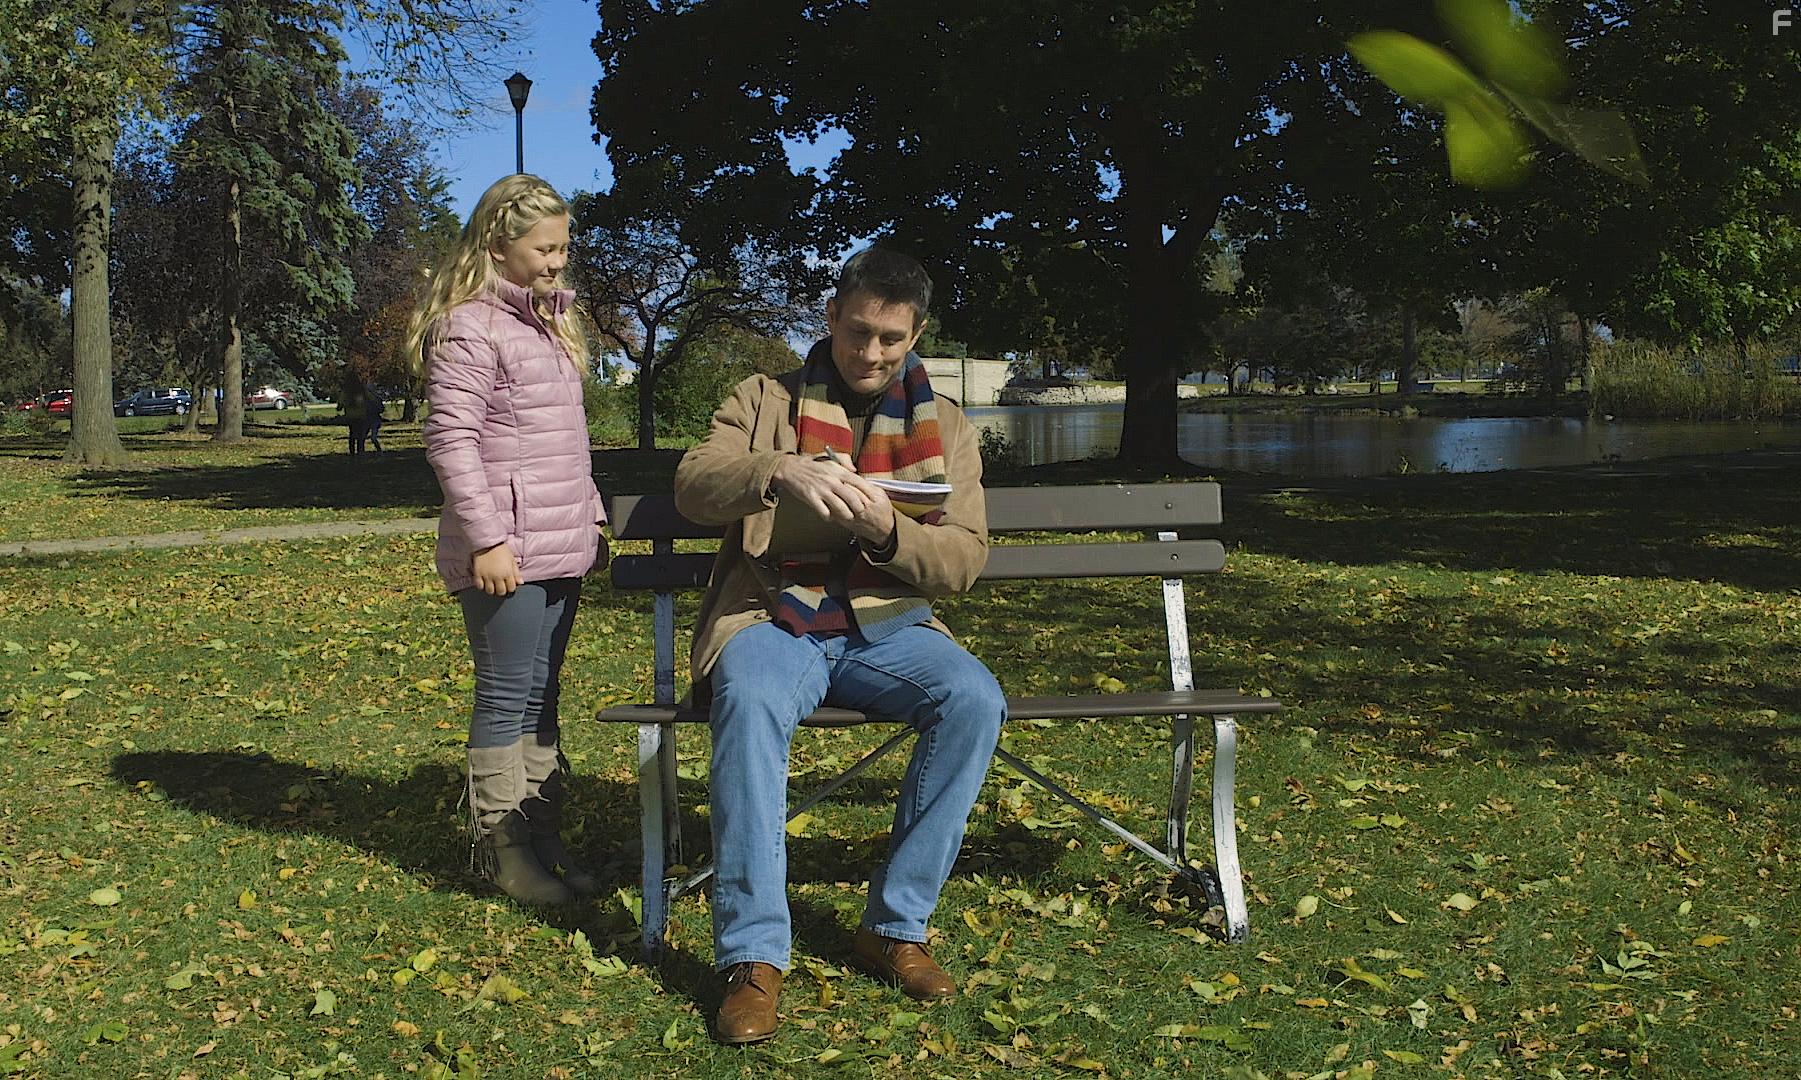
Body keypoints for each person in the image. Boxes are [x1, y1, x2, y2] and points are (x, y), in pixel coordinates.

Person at [673, 247, 1005, 1044]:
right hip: (771, 616)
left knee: (972, 698)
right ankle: (753, 958)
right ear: (830, 317)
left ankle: (894, 927)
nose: (870, 352)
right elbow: (692, 485)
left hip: (889, 623)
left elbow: (963, 560)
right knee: (750, 698)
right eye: (857, 331)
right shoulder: (762, 398)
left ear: (916, 334)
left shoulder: (946, 423)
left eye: (891, 338)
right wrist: (778, 470)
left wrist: (888, 531)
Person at [405, 173, 608, 907]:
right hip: (506, 551)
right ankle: (503, 851)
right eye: (544, 248)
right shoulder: (470, 326)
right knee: (505, 696)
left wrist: (588, 518)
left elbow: (563, 446)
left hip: (556, 544)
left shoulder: (546, 325)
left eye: (563, 247)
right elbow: (450, 442)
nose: (558, 260)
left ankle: (541, 836)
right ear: (498, 243)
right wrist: (487, 540)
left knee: (541, 697)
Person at [340, 370, 370, 454]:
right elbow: (369, 399)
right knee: (361, 434)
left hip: (350, 415)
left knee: (352, 433)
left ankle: (352, 452)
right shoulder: (362, 389)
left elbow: (340, 403)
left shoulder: (346, 391)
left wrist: (343, 406)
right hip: (361, 415)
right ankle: (361, 450)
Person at [364, 382, 386, 452]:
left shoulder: (377, 399)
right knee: (362, 437)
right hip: (367, 420)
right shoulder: (364, 400)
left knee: (373, 438)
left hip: (375, 420)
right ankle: (361, 452)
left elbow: (381, 409)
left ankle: (379, 450)